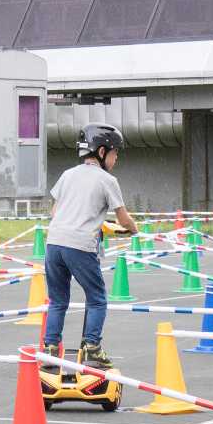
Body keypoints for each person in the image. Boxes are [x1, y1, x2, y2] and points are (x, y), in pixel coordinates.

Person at [41, 123, 137, 379]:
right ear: (102, 151)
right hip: (79, 246)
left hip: (54, 243)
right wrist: (133, 229)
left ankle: (50, 350)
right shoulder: (107, 180)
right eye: (115, 154)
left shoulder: (67, 174)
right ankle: (92, 348)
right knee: (96, 298)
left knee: (58, 300)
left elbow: (55, 213)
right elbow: (124, 218)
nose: (116, 160)